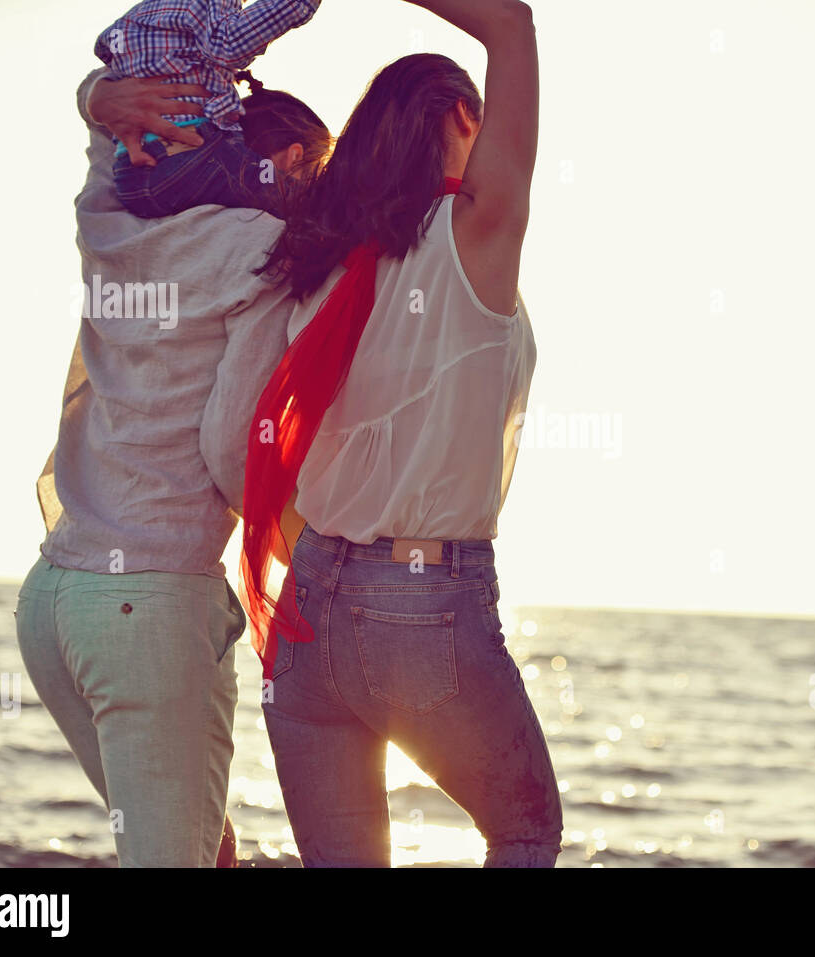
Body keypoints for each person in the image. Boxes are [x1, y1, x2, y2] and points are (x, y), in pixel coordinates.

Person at [242, 0, 563, 867]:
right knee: (526, 831)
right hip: (421, 602)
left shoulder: (315, 268)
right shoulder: (474, 238)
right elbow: (511, 22)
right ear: (465, 119)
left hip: (310, 610)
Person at [15, 68, 330, 867]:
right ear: (292, 159)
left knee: (199, 848)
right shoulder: (262, 251)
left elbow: (108, 116)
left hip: (52, 601)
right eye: (318, 174)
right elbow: (232, 452)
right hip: (147, 608)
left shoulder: (112, 215)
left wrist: (90, 93)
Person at [95, 0, 322, 218]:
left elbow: (105, 50)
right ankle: (324, 204)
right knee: (269, 182)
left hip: (129, 176)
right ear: (295, 155)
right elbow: (229, 44)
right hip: (186, 158)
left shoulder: (137, 16)